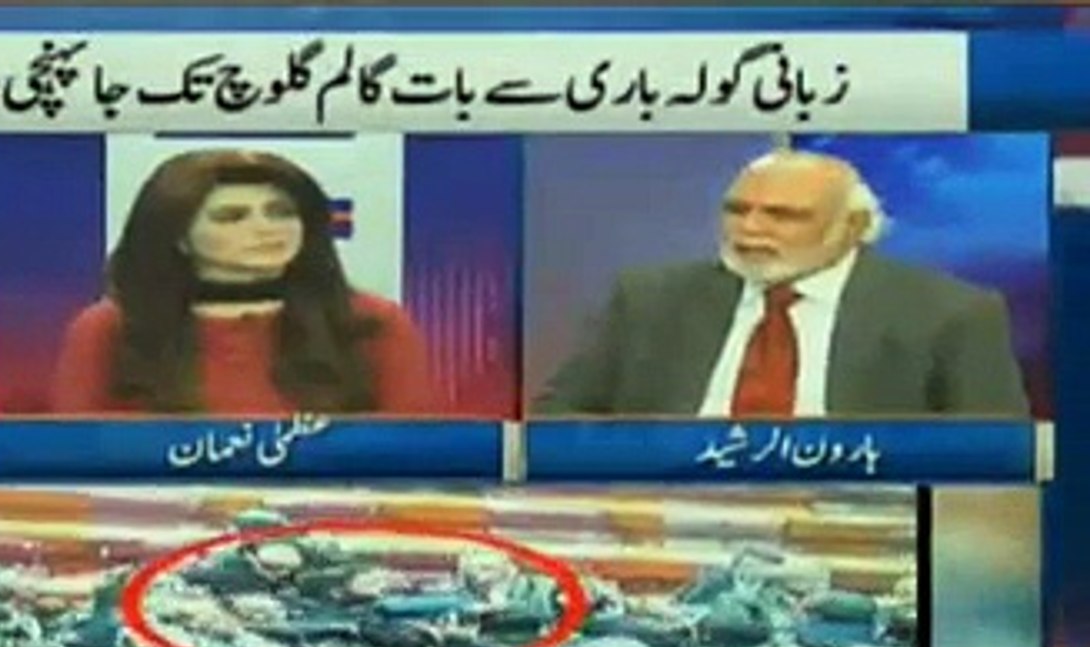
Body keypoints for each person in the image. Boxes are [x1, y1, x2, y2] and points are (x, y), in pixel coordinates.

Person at [533, 150, 1030, 417]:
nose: (750, 229)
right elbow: (557, 416)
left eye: (783, 216)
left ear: (853, 227)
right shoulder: (649, 299)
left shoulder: (949, 314)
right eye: (737, 210)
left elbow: (994, 452)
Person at [51, 150, 436, 415]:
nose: (266, 229)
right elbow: (71, 460)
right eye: (232, 217)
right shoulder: (109, 329)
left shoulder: (371, 323)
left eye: (281, 212)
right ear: (179, 235)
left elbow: (414, 457)